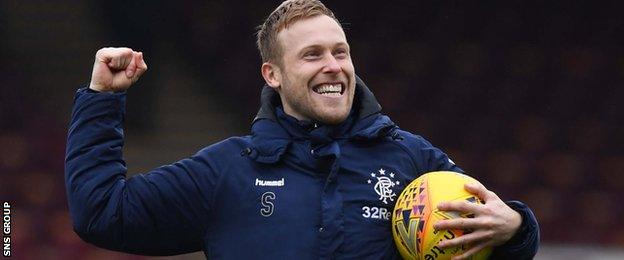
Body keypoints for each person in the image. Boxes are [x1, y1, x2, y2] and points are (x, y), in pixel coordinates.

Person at [65, 0, 539, 259]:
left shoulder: (410, 160)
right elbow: (103, 214)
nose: (333, 67)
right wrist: (102, 101)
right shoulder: (226, 171)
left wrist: (517, 228)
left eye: (340, 52)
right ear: (272, 75)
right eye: (312, 55)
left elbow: (491, 236)